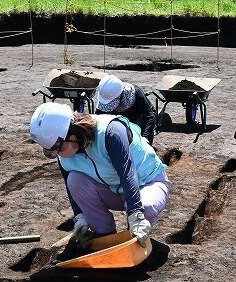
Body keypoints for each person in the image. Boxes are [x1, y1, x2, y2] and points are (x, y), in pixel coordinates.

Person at [29, 102, 169, 248]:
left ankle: (136, 238)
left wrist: (136, 215)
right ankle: (104, 235)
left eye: (59, 148)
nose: (56, 154)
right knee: (75, 180)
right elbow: (70, 187)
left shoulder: (110, 132)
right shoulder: (63, 151)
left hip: (148, 183)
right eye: (50, 152)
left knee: (144, 208)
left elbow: (128, 173)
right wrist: (80, 216)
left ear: (72, 135)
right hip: (115, 191)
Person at [95, 75, 157, 146]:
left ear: (120, 96)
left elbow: (150, 117)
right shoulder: (106, 94)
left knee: (135, 142)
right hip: (120, 119)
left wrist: (146, 137)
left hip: (137, 118)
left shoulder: (136, 93)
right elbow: (98, 117)